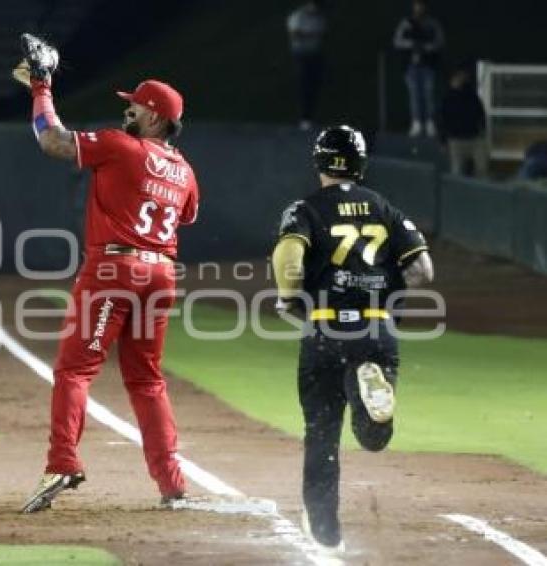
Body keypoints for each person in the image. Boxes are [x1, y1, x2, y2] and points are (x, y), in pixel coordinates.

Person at [15, 35, 199, 513]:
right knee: (147, 380)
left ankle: (61, 462)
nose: (128, 113)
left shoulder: (122, 147)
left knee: (75, 370)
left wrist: (40, 87)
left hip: (115, 268)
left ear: (156, 117)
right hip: (161, 274)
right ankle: (172, 483)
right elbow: (187, 216)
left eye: (136, 107)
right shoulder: (185, 169)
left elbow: (50, 139)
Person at [271, 125, 434, 553]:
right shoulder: (384, 208)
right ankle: (370, 395)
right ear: (361, 164)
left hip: (325, 328)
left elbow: (290, 253)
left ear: (318, 161)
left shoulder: (304, 209)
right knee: (373, 437)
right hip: (376, 329)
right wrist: (385, 295)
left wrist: (289, 297)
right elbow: (423, 271)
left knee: (321, 434)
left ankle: (327, 534)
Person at [393, 0, 445, 137]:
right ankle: (416, 123)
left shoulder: (432, 23)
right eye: (416, 6)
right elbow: (397, 41)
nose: (419, 8)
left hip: (428, 65)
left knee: (428, 95)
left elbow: (439, 42)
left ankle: (429, 123)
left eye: (421, 6)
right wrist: (412, 44)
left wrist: (427, 47)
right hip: (411, 65)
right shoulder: (406, 23)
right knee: (414, 95)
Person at [439, 68, 488, 177]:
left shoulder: (472, 96)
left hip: (475, 139)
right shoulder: (447, 99)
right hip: (456, 141)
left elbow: (481, 114)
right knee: (457, 171)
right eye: (457, 77)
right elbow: (442, 121)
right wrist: (442, 141)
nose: (460, 80)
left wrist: (483, 130)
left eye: (462, 77)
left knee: (482, 169)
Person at [286, 0, 327, 131]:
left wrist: (311, 36)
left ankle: (310, 116)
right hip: (301, 54)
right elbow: (295, 34)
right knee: (304, 84)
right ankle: (304, 118)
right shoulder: (298, 17)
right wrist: (310, 36)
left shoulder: (319, 18)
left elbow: (321, 34)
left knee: (314, 85)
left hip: (315, 53)